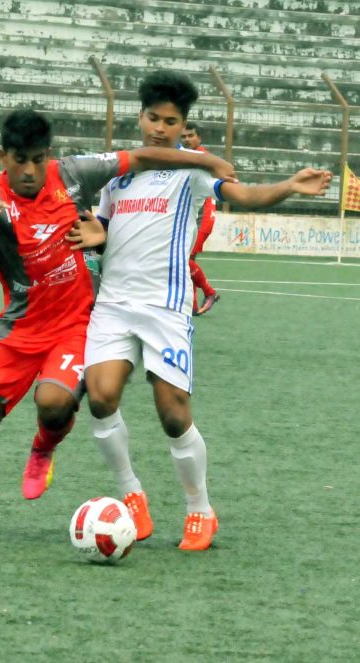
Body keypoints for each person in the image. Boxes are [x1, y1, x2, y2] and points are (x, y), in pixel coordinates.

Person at [0, 108, 238, 533]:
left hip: (75, 324)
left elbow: (141, 158)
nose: (31, 170)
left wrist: (205, 160)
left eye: (38, 159)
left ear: (48, 155)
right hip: (18, 328)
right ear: (3, 157)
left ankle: (43, 449)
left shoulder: (72, 174)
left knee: (53, 405)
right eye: (20, 160)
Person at [70, 70, 331, 550]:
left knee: (172, 412)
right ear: (140, 117)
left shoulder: (192, 169)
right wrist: (95, 234)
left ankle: (199, 509)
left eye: (171, 121)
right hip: (113, 303)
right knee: (101, 397)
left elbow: (244, 195)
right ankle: (131, 497)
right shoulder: (117, 174)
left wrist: (289, 186)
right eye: (153, 118)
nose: (160, 128)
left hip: (166, 307)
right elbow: (101, 228)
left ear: (183, 125)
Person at [180, 122, 220, 315]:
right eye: (183, 137)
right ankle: (193, 306)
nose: (187, 140)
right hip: (195, 217)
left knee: (185, 259)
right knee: (188, 259)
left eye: (191, 136)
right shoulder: (188, 157)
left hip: (201, 218)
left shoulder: (201, 158)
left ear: (199, 138)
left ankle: (210, 292)